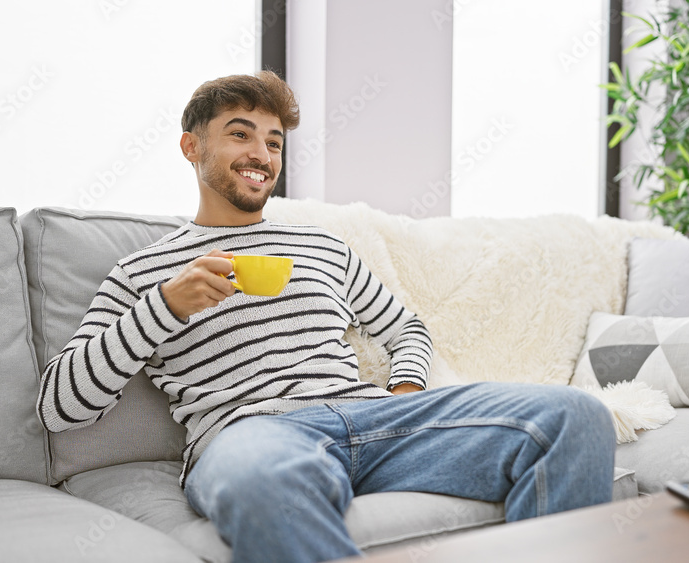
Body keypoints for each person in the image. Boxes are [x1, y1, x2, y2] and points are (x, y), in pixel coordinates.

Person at [37, 70, 616, 563]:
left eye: (274, 142)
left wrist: (406, 386)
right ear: (191, 147)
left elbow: (406, 327)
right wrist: (163, 307)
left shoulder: (321, 246)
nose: (261, 155)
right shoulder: (145, 270)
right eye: (240, 135)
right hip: (254, 434)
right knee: (266, 482)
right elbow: (60, 406)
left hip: (379, 421)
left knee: (575, 417)